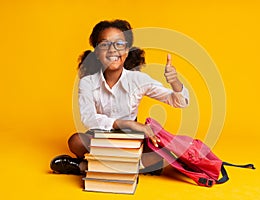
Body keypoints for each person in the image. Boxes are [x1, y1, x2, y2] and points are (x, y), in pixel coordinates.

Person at [50, 19, 189, 175]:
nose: (112, 50)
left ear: (127, 50)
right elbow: (88, 118)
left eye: (119, 44)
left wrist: (175, 82)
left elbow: (180, 102)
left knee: (159, 154)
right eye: (104, 44)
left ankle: (84, 167)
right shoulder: (87, 82)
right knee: (76, 141)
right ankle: (134, 167)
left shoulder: (137, 80)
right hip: (102, 136)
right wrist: (124, 123)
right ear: (96, 52)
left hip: (130, 140)